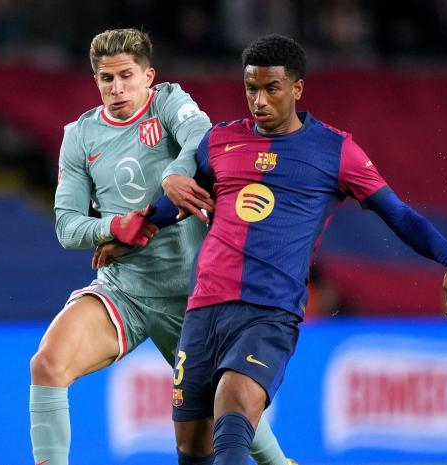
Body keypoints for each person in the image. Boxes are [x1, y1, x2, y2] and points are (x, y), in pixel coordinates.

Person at [116, 34, 447, 463]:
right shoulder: (218, 142)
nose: (259, 101)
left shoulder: (336, 151)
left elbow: (397, 213)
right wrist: (133, 233)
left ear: (297, 88)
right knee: (192, 447)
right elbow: (181, 202)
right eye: (251, 89)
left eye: (272, 89)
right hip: (203, 308)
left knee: (233, 401)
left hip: (269, 311)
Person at [30, 28, 292, 465]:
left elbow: (203, 140)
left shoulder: (169, 102)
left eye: (126, 76)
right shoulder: (80, 136)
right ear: (96, 80)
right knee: (47, 364)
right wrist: (114, 227)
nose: (117, 89)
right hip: (124, 292)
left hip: (193, 297)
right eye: (106, 79)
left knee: (228, 408)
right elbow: (67, 226)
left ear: (148, 76)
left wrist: (172, 177)